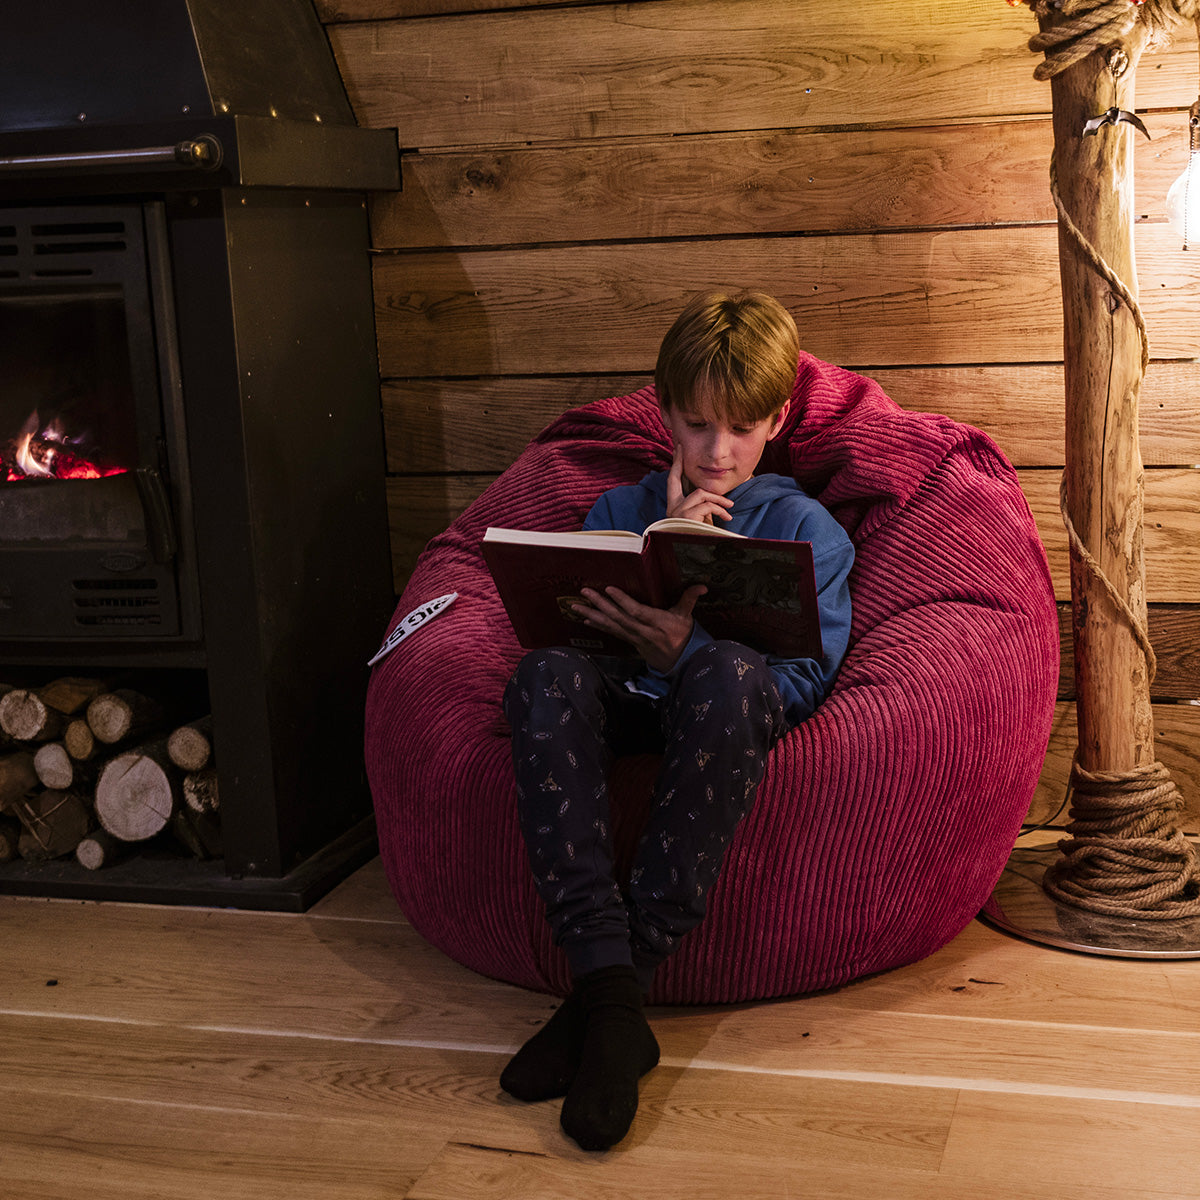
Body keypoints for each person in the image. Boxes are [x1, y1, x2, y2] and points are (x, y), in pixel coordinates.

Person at [499, 290, 855, 1151]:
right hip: (619, 709)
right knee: (541, 676)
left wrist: (688, 652)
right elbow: (564, 637)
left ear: (777, 420)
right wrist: (656, 545)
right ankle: (614, 999)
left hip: (718, 716)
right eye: (697, 426)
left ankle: (611, 1001)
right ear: (664, 416)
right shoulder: (617, 513)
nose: (717, 451)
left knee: (733, 674)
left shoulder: (806, 531)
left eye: (739, 428)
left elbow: (803, 683)